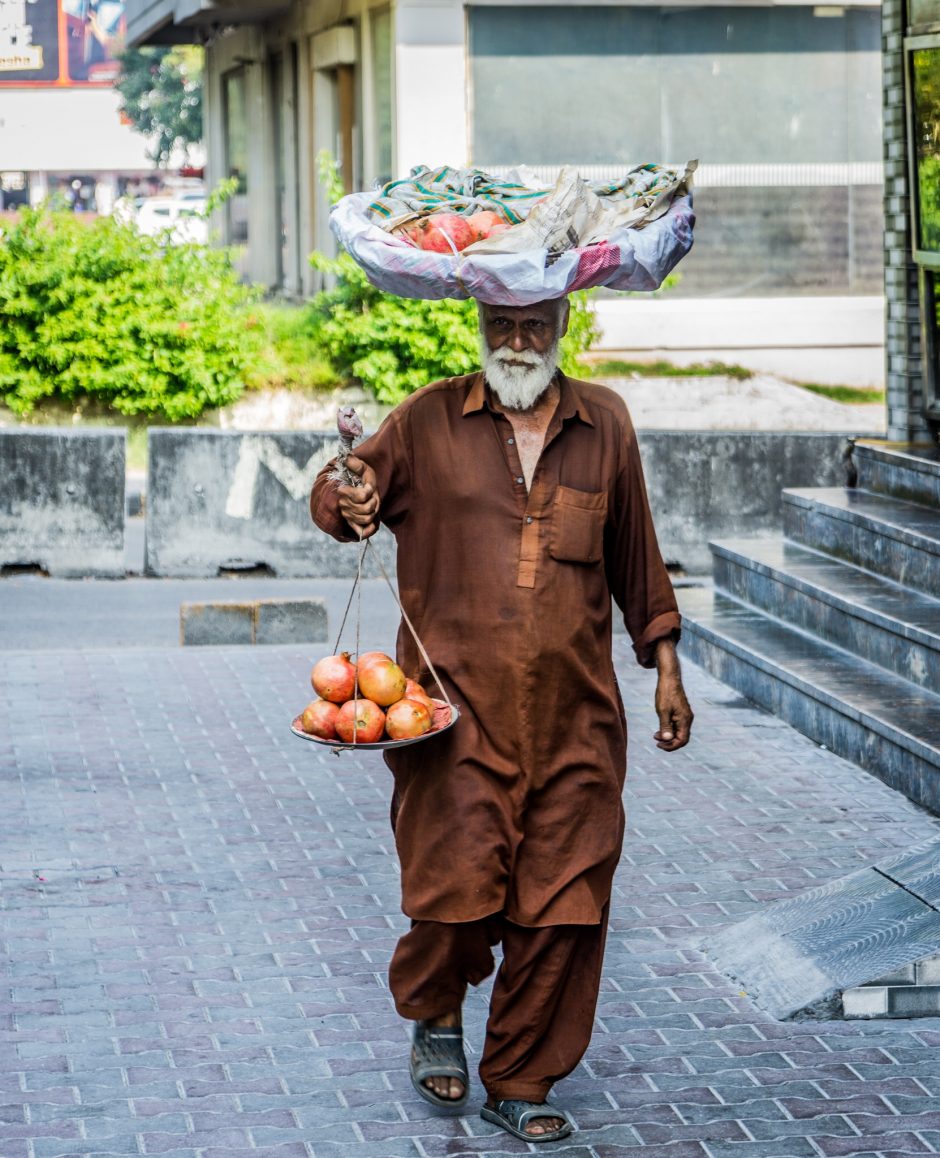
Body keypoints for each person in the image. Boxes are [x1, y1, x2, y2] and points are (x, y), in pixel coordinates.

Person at [309, 296, 693, 1143]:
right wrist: (353, 494)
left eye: (535, 324)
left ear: (563, 324)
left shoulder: (606, 423)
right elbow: (341, 502)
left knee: (566, 905)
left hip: (577, 719)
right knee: (454, 895)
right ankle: (436, 1011)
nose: (517, 342)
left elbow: (638, 553)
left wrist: (665, 665)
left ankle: (520, 1076)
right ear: (479, 324)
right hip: (449, 718)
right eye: (502, 325)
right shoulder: (426, 419)